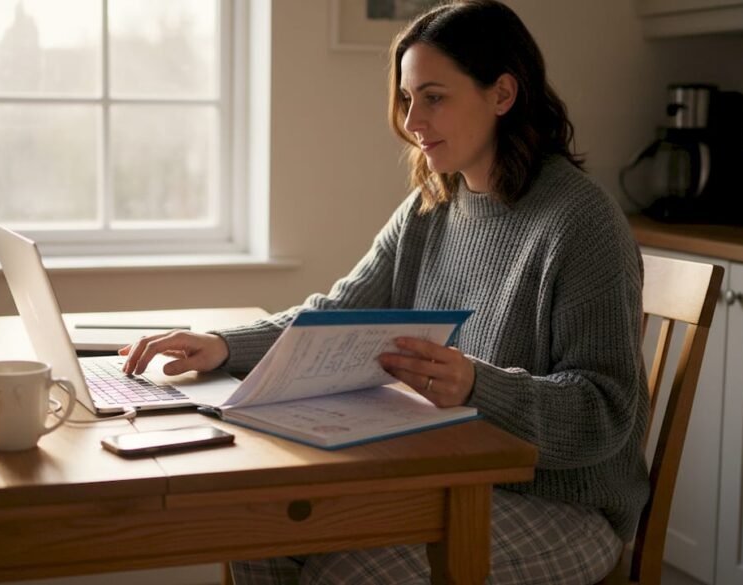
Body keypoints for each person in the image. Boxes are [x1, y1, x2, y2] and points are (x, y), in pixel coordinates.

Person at [122, 1, 649, 583]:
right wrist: (222, 345)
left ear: (502, 94)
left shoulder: (581, 221)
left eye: (434, 97)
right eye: (407, 98)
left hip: (564, 505)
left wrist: (478, 385)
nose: (412, 120)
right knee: (259, 527)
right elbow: (337, 314)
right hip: (445, 474)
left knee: (349, 574)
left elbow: (606, 412)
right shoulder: (432, 208)